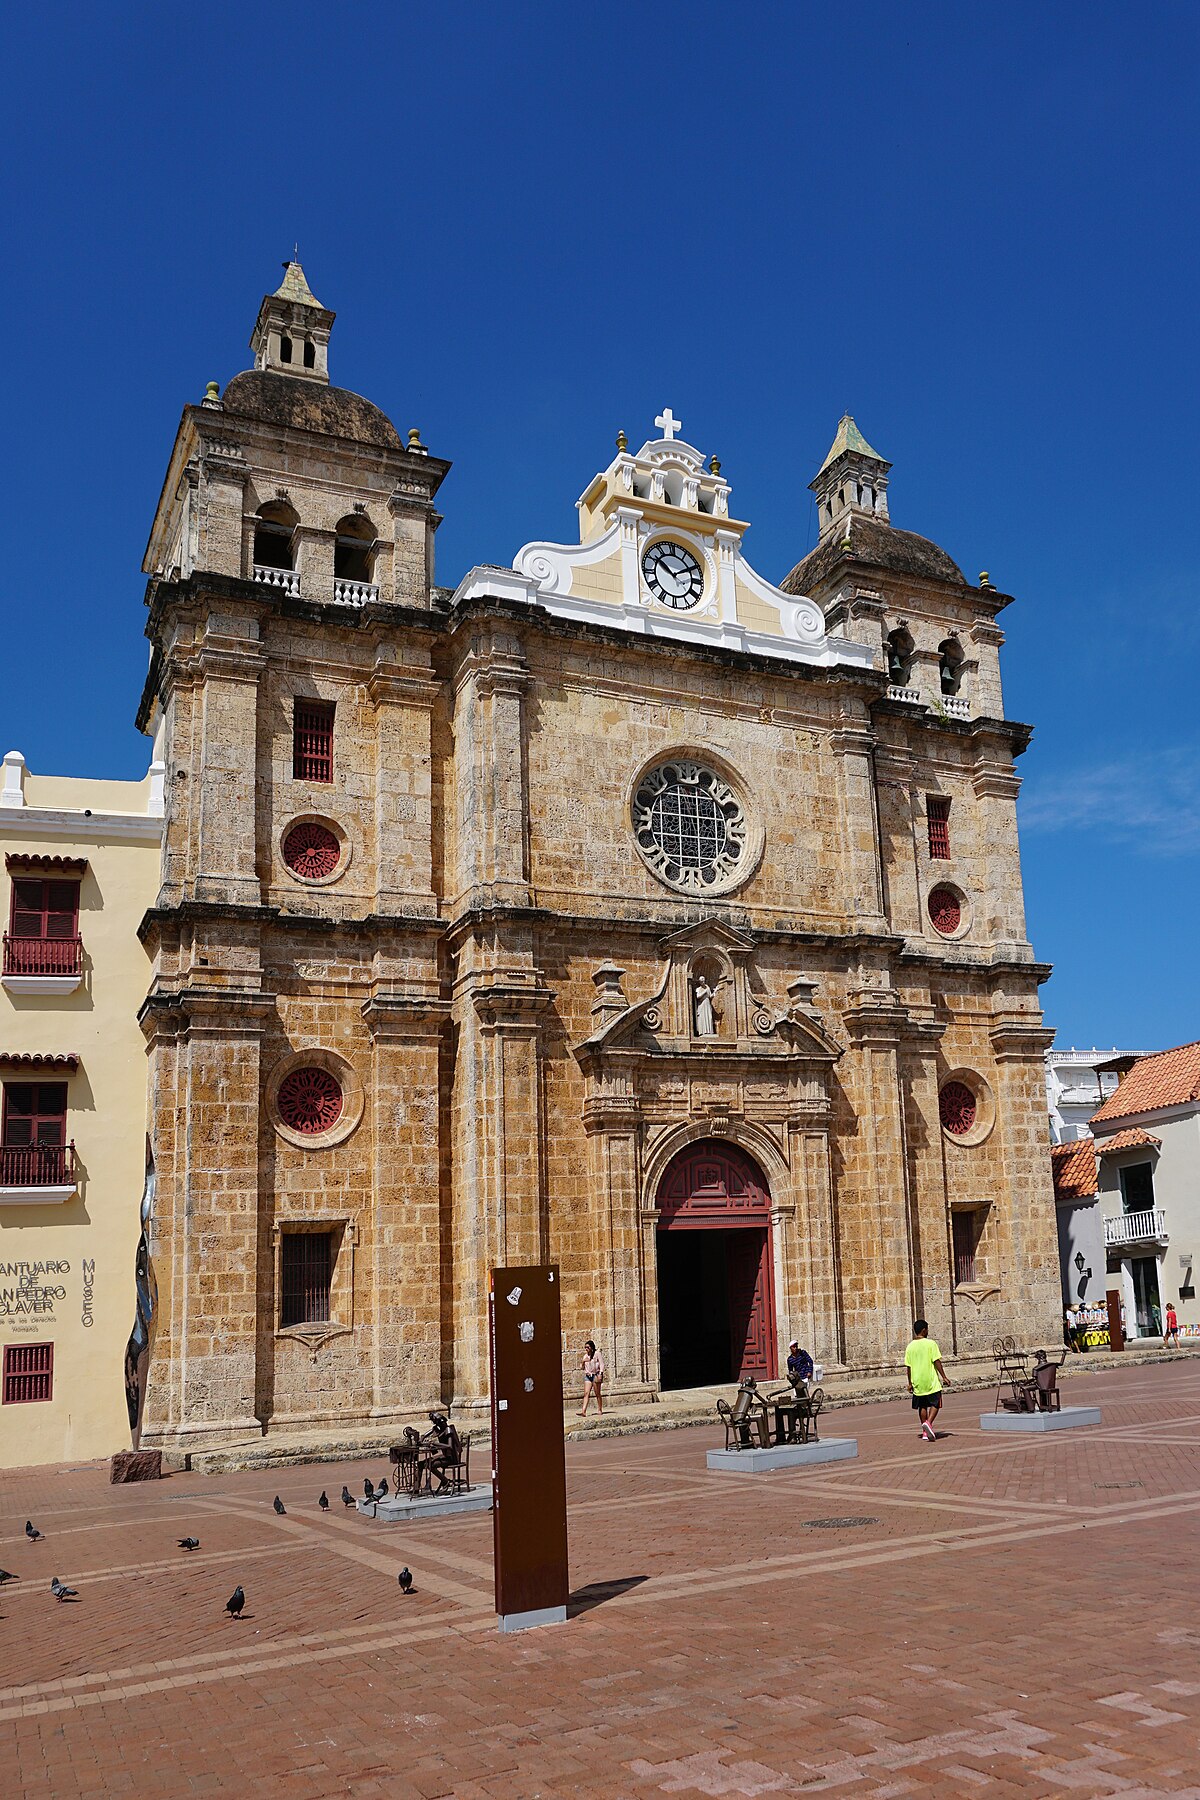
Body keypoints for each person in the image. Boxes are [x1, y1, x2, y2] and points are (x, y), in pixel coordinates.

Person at [904, 1318, 949, 1442]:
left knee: (922, 1406)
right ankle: (928, 1423)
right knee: (935, 1403)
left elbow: (908, 1367)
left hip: (917, 1380)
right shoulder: (931, 1344)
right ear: (924, 1331)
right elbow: (936, 1361)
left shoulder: (910, 1347)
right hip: (930, 1380)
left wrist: (909, 1383)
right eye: (927, 1329)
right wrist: (944, 1376)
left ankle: (925, 1432)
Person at [579, 1340, 605, 1416]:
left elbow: (602, 1364)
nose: (586, 1349)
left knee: (597, 1393)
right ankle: (583, 1411)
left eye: (587, 1347)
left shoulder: (597, 1354)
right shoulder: (585, 1356)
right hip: (588, 1376)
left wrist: (601, 1373)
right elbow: (582, 1367)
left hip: (595, 1375)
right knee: (586, 1393)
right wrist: (583, 1361)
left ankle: (600, 1409)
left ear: (591, 1347)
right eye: (585, 1347)